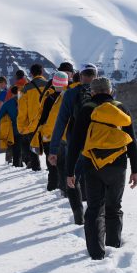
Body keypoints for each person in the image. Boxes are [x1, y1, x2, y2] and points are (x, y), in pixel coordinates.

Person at [66, 77, 137, 260]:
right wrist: (135, 169)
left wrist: (69, 172)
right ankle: (113, 245)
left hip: (93, 165)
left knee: (94, 209)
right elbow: (132, 141)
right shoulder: (121, 109)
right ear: (110, 90)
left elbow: (74, 143)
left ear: (92, 92)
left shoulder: (86, 109)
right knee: (114, 207)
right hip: (119, 165)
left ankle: (96, 253)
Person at [47, 63, 98, 223]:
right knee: (95, 178)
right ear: (95, 76)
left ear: (80, 75)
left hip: (75, 145)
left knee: (72, 178)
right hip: (98, 144)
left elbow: (61, 122)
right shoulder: (104, 92)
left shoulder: (70, 94)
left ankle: (78, 213)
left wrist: (53, 149)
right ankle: (96, 213)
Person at [36, 71, 69, 191]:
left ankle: (54, 188)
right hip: (66, 135)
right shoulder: (69, 96)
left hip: (49, 136)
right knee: (65, 165)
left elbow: (43, 118)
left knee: (53, 166)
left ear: (53, 83)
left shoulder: (49, 98)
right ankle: (65, 189)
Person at [17, 63, 48, 171]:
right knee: (49, 147)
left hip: (33, 123)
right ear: (42, 72)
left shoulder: (25, 89)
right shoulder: (49, 84)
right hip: (49, 121)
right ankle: (52, 170)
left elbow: (22, 110)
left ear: (31, 74)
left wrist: (21, 126)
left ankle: (36, 167)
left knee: (33, 147)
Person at [0, 86, 22, 167]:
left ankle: (17, 165)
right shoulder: (24, 100)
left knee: (16, 148)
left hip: (13, 130)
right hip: (26, 128)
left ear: (11, 93)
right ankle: (25, 165)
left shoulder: (7, 104)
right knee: (25, 148)